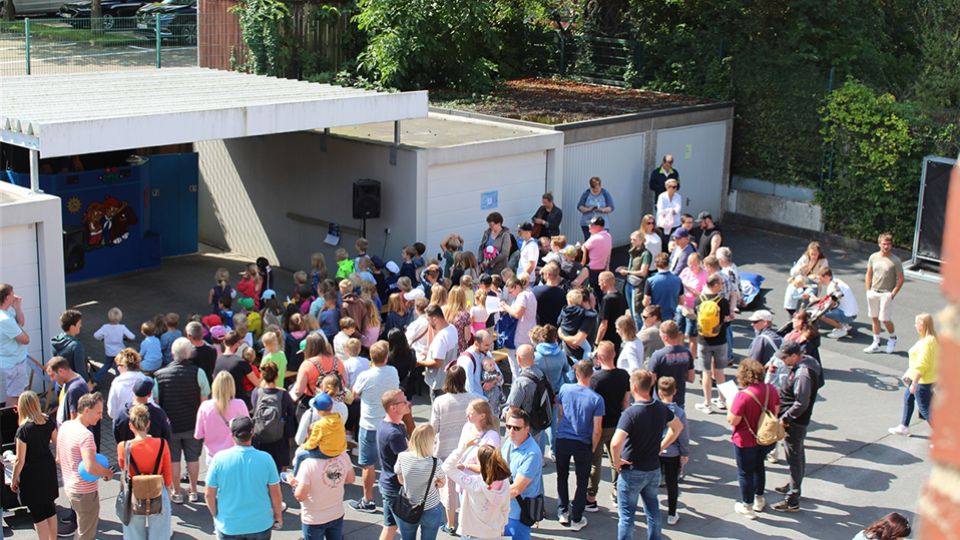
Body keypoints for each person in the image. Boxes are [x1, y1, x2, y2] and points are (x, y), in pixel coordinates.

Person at [611, 370, 683, 540]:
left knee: (627, 517)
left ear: (634, 387)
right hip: (653, 469)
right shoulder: (660, 408)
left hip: (632, 471)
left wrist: (616, 462)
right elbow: (678, 427)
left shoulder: (630, 413)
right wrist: (661, 446)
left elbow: (615, 442)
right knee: (653, 511)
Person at [205, 416, 283, 539]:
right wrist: (278, 516)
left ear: (232, 435)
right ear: (252, 434)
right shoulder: (266, 458)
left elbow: (209, 494)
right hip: (260, 524)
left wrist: (216, 515)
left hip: (229, 525)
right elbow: (276, 493)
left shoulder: (219, 459)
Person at [155, 336, 208, 503]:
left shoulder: (159, 375)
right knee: (193, 459)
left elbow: (157, 404)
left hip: (171, 427)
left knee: (173, 460)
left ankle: (176, 492)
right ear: (189, 354)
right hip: (193, 425)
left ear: (172, 353)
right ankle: (193, 491)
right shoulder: (198, 373)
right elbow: (204, 401)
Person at [772, 340, 822, 513]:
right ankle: (794, 484)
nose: (783, 361)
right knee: (797, 454)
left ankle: (793, 498)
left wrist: (785, 419)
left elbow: (801, 403)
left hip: (795, 422)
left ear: (795, 356)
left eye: (785, 357)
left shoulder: (802, 374)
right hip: (797, 420)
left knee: (794, 457)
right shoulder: (809, 362)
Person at [351, 341, 401, 513]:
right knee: (392, 462)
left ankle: (368, 500)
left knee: (368, 464)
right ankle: (396, 495)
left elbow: (354, 394)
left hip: (369, 424)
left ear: (371, 358)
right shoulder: (393, 371)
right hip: (388, 423)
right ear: (386, 357)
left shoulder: (365, 375)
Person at [727, 359, 780, 520]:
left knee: (745, 472)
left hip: (746, 439)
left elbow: (733, 420)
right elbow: (776, 411)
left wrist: (730, 406)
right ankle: (759, 498)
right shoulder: (771, 389)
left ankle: (747, 505)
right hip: (766, 438)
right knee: (759, 467)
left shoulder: (742, 396)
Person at [555, 360, 605, 531]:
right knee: (582, 480)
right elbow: (597, 430)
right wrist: (593, 447)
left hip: (563, 439)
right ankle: (577, 517)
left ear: (576, 373)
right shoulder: (597, 399)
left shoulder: (564, 389)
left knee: (562, 476)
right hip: (583, 442)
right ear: (591, 375)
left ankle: (563, 511)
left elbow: (561, 415)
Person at [286, 418, 355, 540]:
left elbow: (300, 496)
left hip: (314, 518)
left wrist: (292, 482)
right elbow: (350, 479)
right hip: (336, 513)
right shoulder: (343, 455)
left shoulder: (308, 463)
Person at [56, 392, 112, 540]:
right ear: (86, 410)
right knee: (86, 533)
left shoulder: (65, 426)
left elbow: (58, 458)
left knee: (82, 529)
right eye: (98, 412)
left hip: (70, 488)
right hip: (84, 492)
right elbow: (90, 468)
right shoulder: (86, 436)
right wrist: (107, 472)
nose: (101, 417)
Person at [429, 366, 477, 533]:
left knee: (448, 488)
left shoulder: (440, 402)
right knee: (467, 484)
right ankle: (467, 520)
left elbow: (433, 428)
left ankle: (450, 524)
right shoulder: (473, 399)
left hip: (445, 449)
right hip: (468, 450)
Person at [117, 403, 174, 539]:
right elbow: (167, 473)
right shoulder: (162, 444)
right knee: (160, 534)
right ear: (148, 423)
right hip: (158, 491)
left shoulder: (123, 447)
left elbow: (123, 469)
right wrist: (168, 491)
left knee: (133, 534)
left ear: (131, 425)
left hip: (133, 495)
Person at [586, 342, 630, 512]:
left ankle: (591, 497)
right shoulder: (623, 375)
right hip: (618, 424)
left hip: (599, 425)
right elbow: (626, 402)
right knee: (616, 461)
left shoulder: (595, 379)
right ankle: (618, 493)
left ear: (600, 357)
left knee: (595, 462)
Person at [10, 391, 58, 540]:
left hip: (31, 474)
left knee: (38, 513)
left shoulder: (23, 430)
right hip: (48, 468)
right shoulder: (48, 420)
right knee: (50, 508)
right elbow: (57, 442)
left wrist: (13, 479)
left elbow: (20, 460)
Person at [441, 439, 512, 539]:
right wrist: (501, 528)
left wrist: (463, 446)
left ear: (481, 464)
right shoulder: (505, 482)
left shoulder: (474, 484)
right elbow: (506, 509)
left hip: (473, 533)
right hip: (494, 533)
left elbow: (447, 466)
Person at [889, 313, 938, 437]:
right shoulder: (932, 339)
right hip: (927, 378)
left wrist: (914, 383)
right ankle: (903, 426)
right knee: (908, 398)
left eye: (916, 323)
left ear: (922, 325)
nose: (915, 326)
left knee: (925, 410)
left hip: (922, 381)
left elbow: (922, 365)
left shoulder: (927, 342)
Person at [394, 424, 445, 540]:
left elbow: (400, 480)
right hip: (431, 509)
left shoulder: (402, 457)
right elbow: (442, 483)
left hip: (407, 507)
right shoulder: (436, 463)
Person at [501, 409, 544, 540]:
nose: (511, 431)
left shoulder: (532, 454)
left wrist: (490, 497)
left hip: (518, 513)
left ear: (527, 429)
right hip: (504, 508)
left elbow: (517, 489)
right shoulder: (509, 441)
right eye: (508, 427)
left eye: (516, 428)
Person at [375, 389, 412, 540]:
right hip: (395, 488)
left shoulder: (394, 425)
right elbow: (408, 460)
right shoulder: (394, 433)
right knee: (406, 530)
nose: (408, 403)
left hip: (388, 483)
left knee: (390, 526)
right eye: (403, 402)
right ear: (393, 408)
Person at [694, 274, 732, 414]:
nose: (722, 285)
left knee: (706, 372)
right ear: (715, 285)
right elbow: (727, 317)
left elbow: (696, 316)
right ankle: (721, 400)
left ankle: (707, 403)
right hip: (720, 340)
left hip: (703, 341)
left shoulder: (699, 300)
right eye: (721, 283)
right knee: (720, 371)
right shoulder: (722, 301)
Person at [251, 361, 297, 472]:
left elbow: (254, 409)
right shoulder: (283, 394)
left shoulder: (257, 392)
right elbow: (291, 414)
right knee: (276, 469)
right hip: (279, 437)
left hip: (260, 436)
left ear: (262, 375)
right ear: (277, 376)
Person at [194, 371, 249, 462]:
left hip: (213, 457)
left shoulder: (205, 406)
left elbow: (198, 435)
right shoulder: (240, 404)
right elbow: (248, 428)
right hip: (235, 456)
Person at [864, 233, 905, 353]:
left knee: (885, 319)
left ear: (891, 245)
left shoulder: (895, 261)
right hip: (873, 292)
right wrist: (868, 290)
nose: (886, 246)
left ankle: (892, 338)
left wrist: (893, 294)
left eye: (888, 244)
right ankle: (876, 343)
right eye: (884, 244)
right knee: (874, 318)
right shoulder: (873, 257)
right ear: (879, 244)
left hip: (886, 293)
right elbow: (869, 273)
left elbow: (901, 278)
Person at [656, 377, 689, 525]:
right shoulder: (680, 412)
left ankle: (652, 509)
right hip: (673, 452)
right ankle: (672, 513)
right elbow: (683, 435)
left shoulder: (654, 409)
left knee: (651, 482)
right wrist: (684, 452)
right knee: (672, 483)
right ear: (674, 391)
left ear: (659, 392)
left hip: (655, 451)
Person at [646, 321, 696, 409]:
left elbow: (651, 380)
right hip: (679, 398)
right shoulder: (687, 353)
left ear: (665, 337)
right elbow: (691, 378)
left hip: (661, 399)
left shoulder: (658, 355)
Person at [499, 275, 538, 381]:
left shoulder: (522, 296)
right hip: (528, 334)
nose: (511, 295)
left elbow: (517, 314)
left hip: (520, 337)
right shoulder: (530, 294)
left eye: (511, 292)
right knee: (527, 367)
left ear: (516, 287)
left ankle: (518, 393)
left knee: (516, 370)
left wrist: (505, 307)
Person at [112, 378, 172, 445]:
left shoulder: (121, 414)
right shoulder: (158, 413)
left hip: (129, 453)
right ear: (149, 394)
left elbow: (117, 436)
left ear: (133, 390)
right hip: (154, 453)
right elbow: (167, 436)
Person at [419, 305, 459, 402]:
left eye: (428, 320)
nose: (428, 323)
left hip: (438, 382)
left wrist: (419, 362)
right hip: (448, 378)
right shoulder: (452, 328)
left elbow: (437, 363)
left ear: (435, 319)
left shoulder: (441, 338)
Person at [0, 283, 30, 407]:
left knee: (16, 394)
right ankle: (10, 424)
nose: (15, 296)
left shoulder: (6, 314)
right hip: (14, 364)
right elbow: (25, 339)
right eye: (12, 294)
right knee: (15, 397)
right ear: (7, 298)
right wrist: (17, 328)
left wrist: (17, 307)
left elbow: (21, 322)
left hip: (11, 361)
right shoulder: (5, 319)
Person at [213, 331, 260, 408]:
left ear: (224, 343)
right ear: (236, 344)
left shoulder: (217, 362)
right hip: (239, 404)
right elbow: (257, 384)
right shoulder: (241, 363)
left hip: (221, 404)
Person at [106, 348, 150, 420]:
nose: (118, 368)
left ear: (124, 365)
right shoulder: (145, 380)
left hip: (123, 421)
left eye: (119, 365)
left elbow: (112, 410)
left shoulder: (117, 383)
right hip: (144, 423)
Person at [617, 229, 652, 320]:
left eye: (634, 240)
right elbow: (634, 268)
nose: (632, 241)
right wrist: (624, 268)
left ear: (641, 240)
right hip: (629, 283)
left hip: (638, 286)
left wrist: (627, 272)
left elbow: (643, 272)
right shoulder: (632, 252)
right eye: (631, 239)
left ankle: (639, 331)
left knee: (637, 312)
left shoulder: (646, 254)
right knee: (632, 312)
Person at [815, 268, 859, 339]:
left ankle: (841, 329)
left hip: (848, 315)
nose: (819, 281)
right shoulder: (837, 281)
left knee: (821, 314)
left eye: (820, 278)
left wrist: (822, 308)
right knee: (831, 309)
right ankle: (844, 324)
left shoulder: (832, 286)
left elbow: (834, 300)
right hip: (853, 313)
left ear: (826, 277)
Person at [643, 252, 683, 322]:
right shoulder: (678, 280)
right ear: (669, 264)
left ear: (655, 264)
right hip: (672, 316)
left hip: (656, 317)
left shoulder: (650, 281)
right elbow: (682, 300)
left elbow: (646, 302)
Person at [51, 309, 88, 383]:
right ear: (72, 327)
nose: (80, 325)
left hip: (60, 385)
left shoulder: (56, 341)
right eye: (79, 323)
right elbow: (80, 372)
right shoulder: (76, 346)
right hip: (74, 386)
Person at [595, 271, 628, 354]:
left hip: (607, 338)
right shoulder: (621, 296)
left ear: (604, 282)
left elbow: (604, 324)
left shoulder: (607, 299)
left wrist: (597, 342)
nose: (599, 284)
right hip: (617, 337)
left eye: (599, 281)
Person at [581, 216, 613, 293]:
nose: (589, 226)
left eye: (592, 225)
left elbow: (583, 247)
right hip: (602, 268)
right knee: (600, 292)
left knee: (591, 292)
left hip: (591, 270)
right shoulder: (608, 236)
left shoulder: (595, 238)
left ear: (598, 227)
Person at [577, 176, 614, 240]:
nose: (595, 190)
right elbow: (580, 206)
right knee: (589, 242)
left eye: (597, 188)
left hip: (602, 224)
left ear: (600, 186)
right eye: (593, 188)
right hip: (588, 223)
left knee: (602, 242)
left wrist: (602, 209)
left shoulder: (605, 193)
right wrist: (589, 209)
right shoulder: (586, 193)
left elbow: (611, 207)